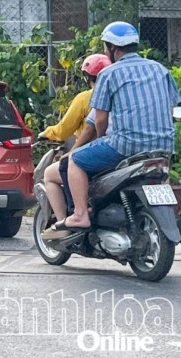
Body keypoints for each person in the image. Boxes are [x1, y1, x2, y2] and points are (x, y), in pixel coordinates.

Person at [46, 21, 181, 236]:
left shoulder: (109, 74)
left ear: (112, 48)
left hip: (125, 145)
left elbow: (100, 121)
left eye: (105, 46)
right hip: (163, 146)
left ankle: (80, 214)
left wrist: (101, 142)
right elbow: (171, 108)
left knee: (74, 160)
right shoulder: (160, 69)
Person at [39, 54, 112, 147]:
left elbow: (64, 130)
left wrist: (47, 133)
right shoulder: (116, 94)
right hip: (115, 146)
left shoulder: (84, 98)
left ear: (87, 77)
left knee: (63, 161)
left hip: (90, 148)